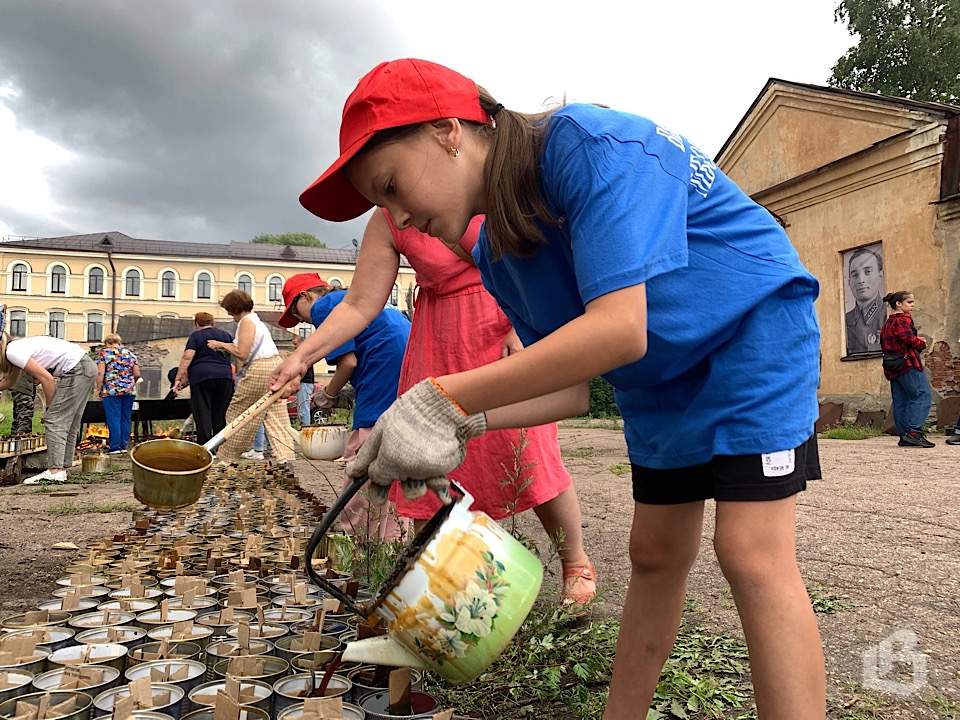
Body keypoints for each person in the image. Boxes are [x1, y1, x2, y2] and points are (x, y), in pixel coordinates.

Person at [271, 59, 826, 719]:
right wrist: (461, 426)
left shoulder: (588, 148)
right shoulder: (500, 256)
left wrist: (443, 397)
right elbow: (571, 390)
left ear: (450, 130)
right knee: (653, 552)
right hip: (660, 376)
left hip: (749, 328)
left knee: (749, 551)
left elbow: (620, 331)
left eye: (391, 186)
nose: (398, 217)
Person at [278, 210, 596, 607]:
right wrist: (301, 357)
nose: (390, 198)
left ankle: (574, 562)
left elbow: (539, 254)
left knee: (529, 451)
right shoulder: (389, 217)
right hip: (440, 340)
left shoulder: (488, 187)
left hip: (501, 318)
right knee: (428, 462)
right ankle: (447, 590)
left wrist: (523, 322)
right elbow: (360, 304)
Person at [278, 273, 410, 541]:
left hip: (384, 359)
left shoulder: (324, 307)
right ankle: (393, 538)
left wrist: (329, 393)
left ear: (306, 296)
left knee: (365, 451)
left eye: (296, 311)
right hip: (405, 352)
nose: (302, 320)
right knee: (396, 447)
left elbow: (347, 362)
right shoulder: (352, 297)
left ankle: (357, 538)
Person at [206, 290, 294, 463]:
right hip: (275, 365)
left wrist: (220, 344)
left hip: (261, 368)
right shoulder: (256, 320)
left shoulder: (246, 321)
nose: (229, 314)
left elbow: (242, 353)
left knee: (238, 413)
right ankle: (286, 458)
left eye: (229, 309)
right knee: (275, 414)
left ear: (234, 307)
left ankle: (226, 459)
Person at [0, 334, 97, 484]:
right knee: (69, 421)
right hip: (85, 366)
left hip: (77, 368)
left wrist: (49, 409)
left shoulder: (13, 352)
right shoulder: (17, 348)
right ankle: (62, 467)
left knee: (54, 419)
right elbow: (9, 381)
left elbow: (47, 379)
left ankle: (55, 471)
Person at [879, 291, 934, 448]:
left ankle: (905, 435)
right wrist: (920, 342)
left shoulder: (887, 323)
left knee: (901, 401)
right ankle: (914, 432)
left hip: (892, 367)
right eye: (909, 302)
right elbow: (909, 340)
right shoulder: (902, 320)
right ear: (898, 304)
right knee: (922, 395)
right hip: (907, 364)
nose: (913, 305)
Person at [174, 312, 235, 446]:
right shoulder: (226, 336)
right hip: (224, 377)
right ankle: (220, 447)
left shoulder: (196, 336)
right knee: (221, 413)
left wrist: (178, 379)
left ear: (196, 324)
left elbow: (187, 357)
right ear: (213, 323)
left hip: (201, 377)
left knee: (202, 412)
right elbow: (236, 354)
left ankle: (206, 447)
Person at [95, 333, 140, 454]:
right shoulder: (130, 354)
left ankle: (115, 447)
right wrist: (130, 384)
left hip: (111, 390)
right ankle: (124, 446)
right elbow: (137, 374)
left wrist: (98, 389)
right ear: (119, 342)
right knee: (125, 418)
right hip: (129, 390)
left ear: (107, 343)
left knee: (113, 418)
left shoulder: (105, 354)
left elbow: (100, 373)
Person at [845, 247, 885, 355]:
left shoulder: (888, 315)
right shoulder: (845, 320)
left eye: (867, 272)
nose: (861, 280)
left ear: (880, 276)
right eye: (855, 275)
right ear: (849, 282)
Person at [291, 335, 316, 426]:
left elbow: (302, 370)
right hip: (304, 383)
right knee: (301, 408)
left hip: (305, 383)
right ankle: (304, 427)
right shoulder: (304, 355)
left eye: (295, 344)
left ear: (302, 343)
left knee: (303, 408)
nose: (294, 347)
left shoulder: (305, 355)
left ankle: (305, 428)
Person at [9, 368, 39, 435]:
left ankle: (14, 441)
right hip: (23, 383)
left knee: (18, 417)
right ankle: (22, 441)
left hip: (18, 383)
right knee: (25, 415)